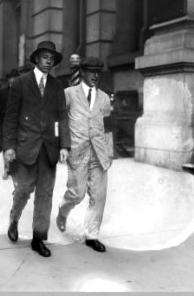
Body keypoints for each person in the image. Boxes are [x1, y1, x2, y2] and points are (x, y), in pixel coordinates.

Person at [2, 41, 70, 257]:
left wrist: (64, 145)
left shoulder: (57, 86)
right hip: (25, 148)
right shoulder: (20, 83)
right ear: (36, 59)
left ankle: (38, 238)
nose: (48, 61)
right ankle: (14, 218)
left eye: (52, 58)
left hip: (49, 149)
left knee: (45, 194)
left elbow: (61, 118)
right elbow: (11, 117)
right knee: (23, 190)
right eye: (45, 57)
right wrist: (9, 146)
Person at [56, 57, 114, 253]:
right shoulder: (69, 94)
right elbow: (61, 122)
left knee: (98, 196)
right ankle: (63, 211)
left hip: (99, 153)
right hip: (77, 151)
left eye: (98, 71)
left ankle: (92, 235)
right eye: (91, 71)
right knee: (77, 193)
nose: (95, 75)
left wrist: (110, 153)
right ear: (82, 72)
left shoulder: (105, 98)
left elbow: (108, 127)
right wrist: (63, 146)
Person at [0, 69, 20, 179]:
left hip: (19, 124)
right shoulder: (1, 93)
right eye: (11, 78)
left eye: (15, 78)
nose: (13, 80)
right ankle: (6, 169)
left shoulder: (22, 93)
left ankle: (15, 169)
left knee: (18, 146)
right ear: (9, 80)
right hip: (4, 124)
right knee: (5, 146)